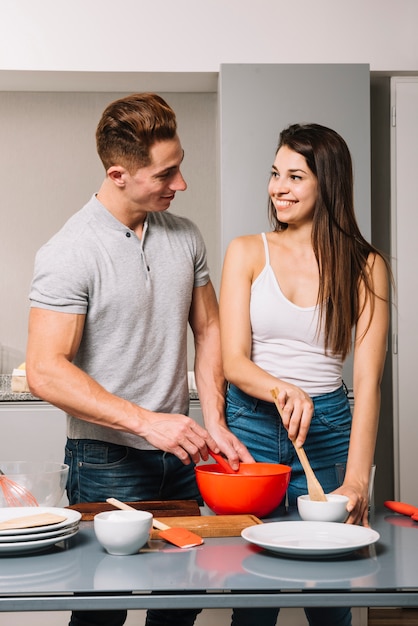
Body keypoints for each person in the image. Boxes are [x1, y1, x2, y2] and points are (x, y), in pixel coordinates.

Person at [26, 92, 251, 626]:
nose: (181, 184)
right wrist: (148, 423)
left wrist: (213, 421)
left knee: (182, 595)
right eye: (167, 173)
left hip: (181, 454)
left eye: (180, 167)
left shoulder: (185, 235)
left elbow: (210, 325)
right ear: (119, 172)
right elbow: (44, 369)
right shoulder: (69, 251)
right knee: (104, 606)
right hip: (107, 461)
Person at [219, 123, 390, 626]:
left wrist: (358, 478)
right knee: (252, 596)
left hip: (330, 430)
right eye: (275, 174)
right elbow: (233, 362)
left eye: (295, 176)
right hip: (251, 426)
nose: (278, 188)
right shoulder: (247, 251)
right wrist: (281, 388)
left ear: (327, 184)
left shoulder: (366, 266)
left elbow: (370, 381)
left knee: (331, 598)